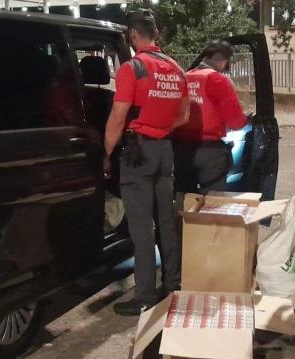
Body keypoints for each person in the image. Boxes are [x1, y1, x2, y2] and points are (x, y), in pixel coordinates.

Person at [103, 9, 190, 316]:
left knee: (141, 227)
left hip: (138, 153)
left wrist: (107, 153)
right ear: (156, 34)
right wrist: (162, 127)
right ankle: (173, 284)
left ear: (133, 35)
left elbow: (117, 117)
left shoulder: (133, 68)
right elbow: (184, 116)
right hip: (164, 150)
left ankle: (144, 295)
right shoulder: (176, 68)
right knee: (166, 221)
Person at [173, 40, 246, 196]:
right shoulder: (218, 80)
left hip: (181, 150)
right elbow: (236, 121)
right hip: (210, 152)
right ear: (222, 60)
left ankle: (181, 221)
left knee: (184, 198)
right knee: (212, 204)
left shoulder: (184, 77)